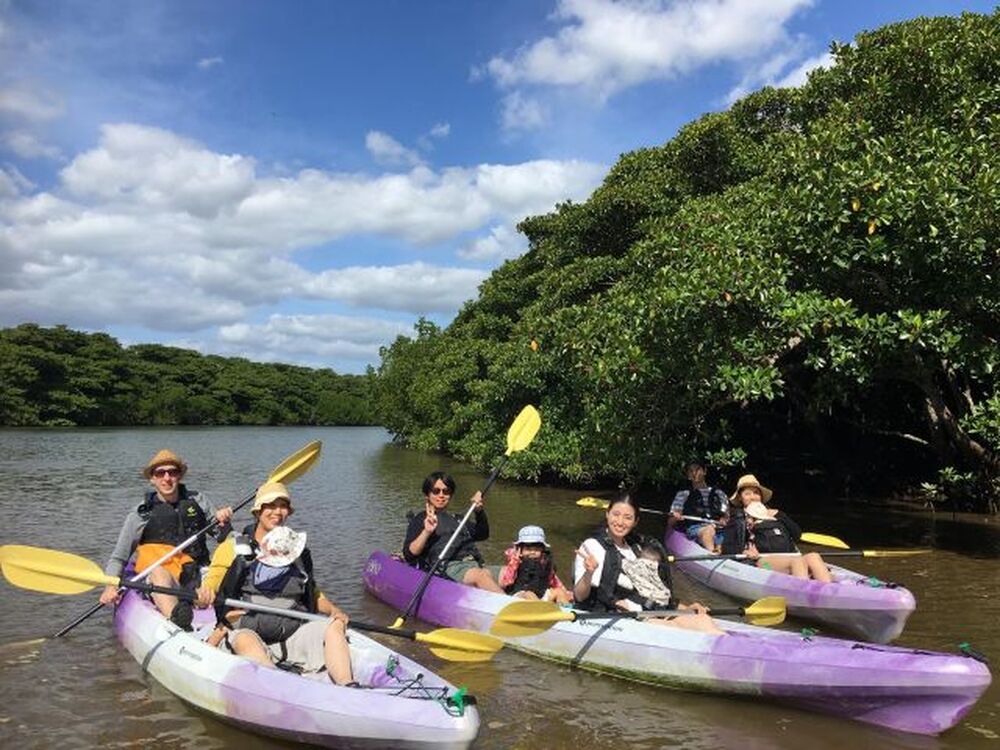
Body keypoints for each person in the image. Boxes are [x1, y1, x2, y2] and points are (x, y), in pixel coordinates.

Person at [207, 482, 356, 685]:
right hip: (246, 632)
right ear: (258, 511)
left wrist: (334, 611)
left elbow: (311, 592)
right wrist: (205, 593)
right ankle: (278, 685)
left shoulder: (297, 551)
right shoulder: (232, 548)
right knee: (245, 640)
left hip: (290, 634)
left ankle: (347, 685)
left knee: (334, 626)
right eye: (270, 505)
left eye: (283, 506)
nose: (277, 512)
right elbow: (213, 582)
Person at [99, 449, 232, 629]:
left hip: (199, 573)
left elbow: (223, 538)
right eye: (160, 473)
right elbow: (119, 557)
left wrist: (223, 521)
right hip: (165, 580)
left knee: (231, 567)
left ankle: (228, 619)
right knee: (158, 573)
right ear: (152, 479)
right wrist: (110, 586)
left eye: (172, 472)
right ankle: (178, 621)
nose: (167, 478)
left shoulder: (198, 501)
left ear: (179, 476)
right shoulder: (140, 514)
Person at [574, 494, 725, 635]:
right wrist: (589, 573)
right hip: (614, 617)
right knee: (672, 628)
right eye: (616, 514)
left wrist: (685, 609)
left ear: (635, 522)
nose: (620, 522)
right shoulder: (592, 546)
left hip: (647, 611)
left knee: (702, 619)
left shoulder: (636, 548)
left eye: (627, 518)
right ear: (607, 514)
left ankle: (729, 645)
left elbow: (652, 593)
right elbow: (580, 596)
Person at [402, 471, 504, 593]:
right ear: (427, 495)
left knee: (510, 572)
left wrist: (479, 512)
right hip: (448, 567)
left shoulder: (458, 519)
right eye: (436, 491)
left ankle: (521, 598)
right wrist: (427, 531)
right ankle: (510, 604)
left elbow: (483, 534)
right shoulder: (421, 519)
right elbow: (409, 554)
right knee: (481, 575)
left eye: (446, 491)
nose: (441, 495)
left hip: (475, 565)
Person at [721, 474, 832, 583]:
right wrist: (744, 551)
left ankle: (828, 589)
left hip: (788, 557)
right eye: (747, 494)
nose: (753, 497)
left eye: (756, 493)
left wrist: (781, 516)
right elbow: (727, 547)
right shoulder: (737, 517)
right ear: (740, 498)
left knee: (813, 556)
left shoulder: (774, 514)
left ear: (761, 496)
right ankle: (803, 592)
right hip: (762, 563)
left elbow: (797, 535)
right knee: (796, 562)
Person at [498, 525, 573, 604]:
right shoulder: (514, 564)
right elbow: (505, 583)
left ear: (542, 550)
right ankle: (540, 608)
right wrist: (515, 561)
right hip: (519, 597)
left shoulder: (545, 564)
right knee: (529, 594)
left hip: (541, 596)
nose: (532, 552)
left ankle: (567, 609)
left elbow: (555, 581)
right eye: (528, 549)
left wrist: (567, 593)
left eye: (537, 550)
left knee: (559, 591)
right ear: (520, 550)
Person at [668, 459, 728, 551]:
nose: (694, 473)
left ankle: (720, 550)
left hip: (718, 528)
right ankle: (712, 554)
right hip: (696, 528)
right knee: (708, 530)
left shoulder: (719, 493)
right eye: (691, 471)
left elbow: (727, 516)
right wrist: (675, 517)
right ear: (688, 475)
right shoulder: (683, 494)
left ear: (704, 471)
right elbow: (670, 522)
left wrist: (724, 519)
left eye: (697, 469)